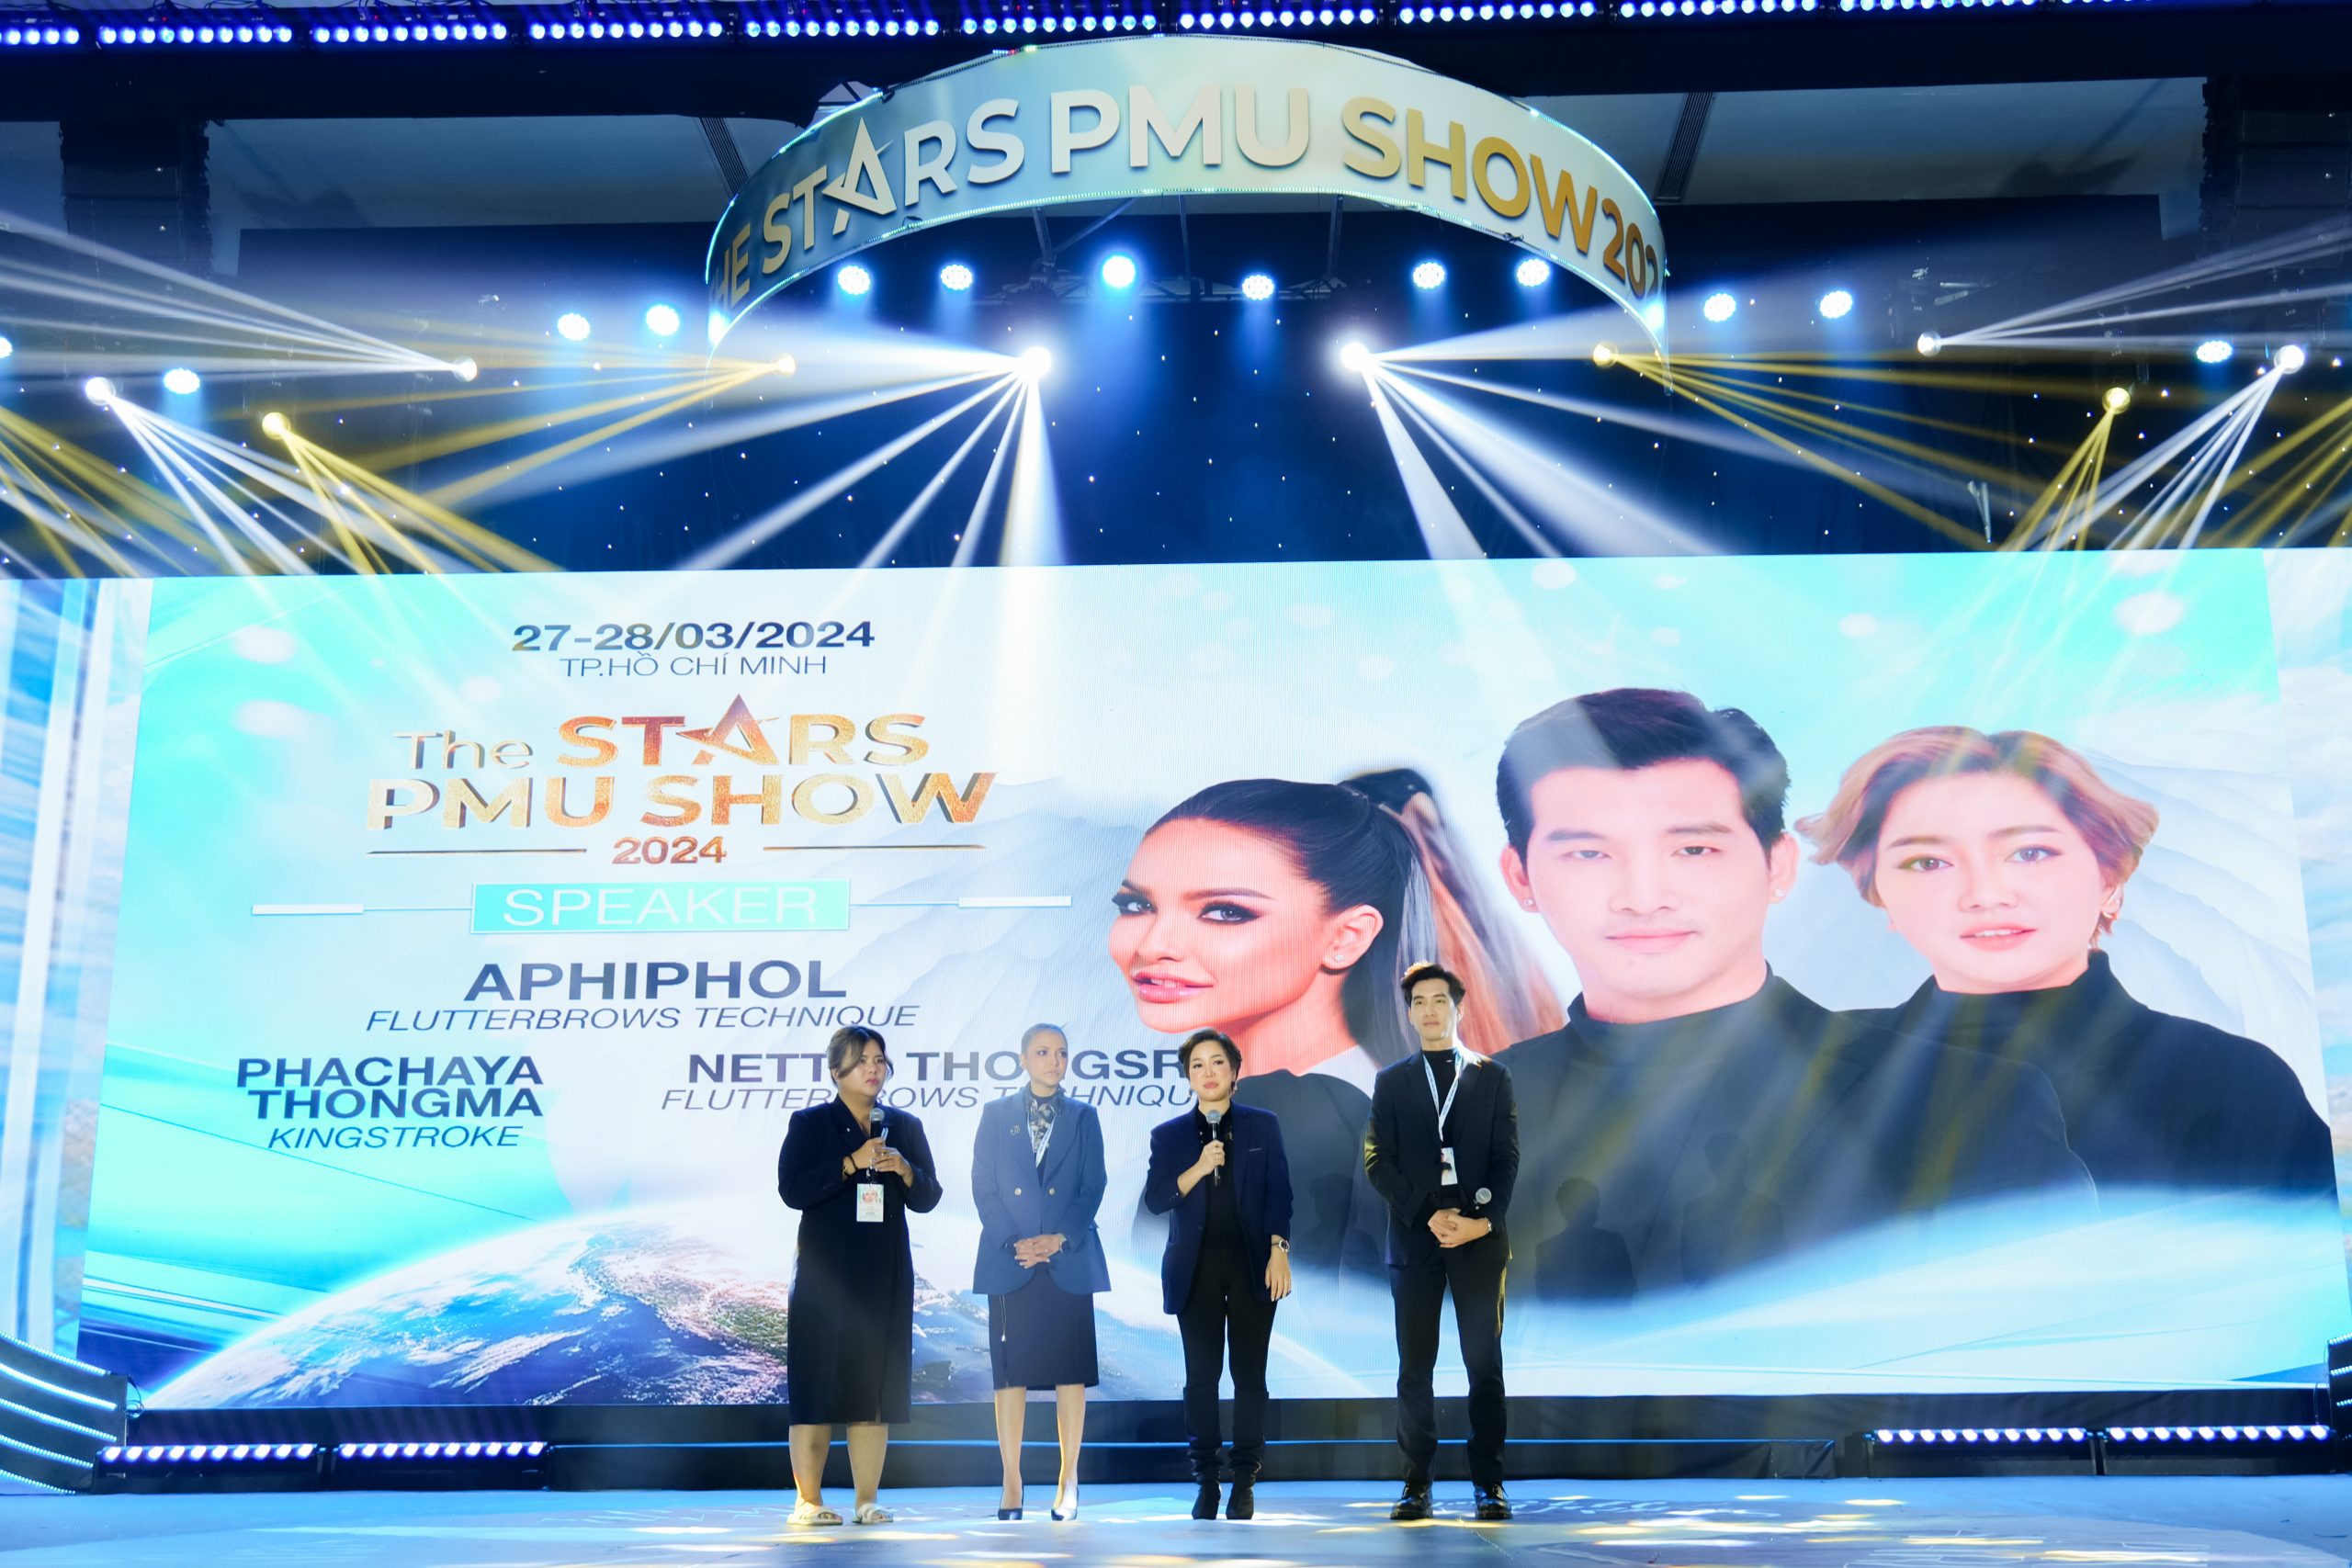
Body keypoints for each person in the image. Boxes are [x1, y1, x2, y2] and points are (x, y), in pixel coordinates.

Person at [1492, 689, 2092, 1301]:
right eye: (1589, 852)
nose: (1643, 897)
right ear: (1521, 878)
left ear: (1778, 865)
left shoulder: (1972, 1104)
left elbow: (2074, 1346)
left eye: (1693, 849)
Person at [1798, 725, 2335, 1195]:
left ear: (2110, 877)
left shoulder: (2232, 1080)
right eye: (1928, 862)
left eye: (2030, 853)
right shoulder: (1808, 1068)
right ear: (1877, 892)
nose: (1985, 893)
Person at [1111, 776, 1557, 1277]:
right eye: (1137, 906)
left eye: (1225, 912)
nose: (1153, 945)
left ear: (1347, 936)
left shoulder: (1295, 1117)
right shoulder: (1360, 1102)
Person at [1365, 962, 1518, 1522]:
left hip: (1478, 1240)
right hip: (1416, 1240)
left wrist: (1483, 1221)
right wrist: (1429, 1215)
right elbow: (1377, 1162)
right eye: (1419, 1002)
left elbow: (1506, 1159)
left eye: (1440, 1000)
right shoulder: (1392, 1081)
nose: (1429, 1010)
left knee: (1485, 1366)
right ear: (1409, 1014)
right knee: (1415, 1368)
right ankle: (1415, 1484)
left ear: (1459, 1007)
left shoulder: (1492, 1076)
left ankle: (1490, 1484)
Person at [775, 1025, 944, 1528]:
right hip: (824, 1278)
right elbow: (792, 1190)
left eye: (879, 1060)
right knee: (817, 1389)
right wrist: (852, 1163)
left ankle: (866, 1500)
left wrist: (905, 1169)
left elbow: (929, 1196)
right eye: (862, 1060)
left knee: (872, 1393)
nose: (874, 1069)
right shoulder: (810, 1123)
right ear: (836, 1071)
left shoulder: (904, 1125)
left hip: (883, 1274)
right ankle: (808, 1501)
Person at [1142, 1029, 1294, 1521]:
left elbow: (1280, 1194)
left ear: (1234, 1071)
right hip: (1195, 1268)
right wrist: (1198, 1167)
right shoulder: (1168, 1136)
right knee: (1201, 1378)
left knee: (1250, 1376)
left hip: (1253, 1263)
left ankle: (1245, 1479)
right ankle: (1206, 1480)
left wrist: (1279, 1250)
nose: (1208, 1073)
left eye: (1217, 1063)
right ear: (1188, 1077)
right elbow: (1156, 1199)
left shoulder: (1262, 1125)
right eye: (1197, 1065)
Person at [970, 1024, 1109, 1521]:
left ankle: (1068, 1479)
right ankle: (1012, 1479)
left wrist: (1059, 1238)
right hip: (1011, 1259)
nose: (1055, 1061)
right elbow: (983, 1185)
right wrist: (1015, 1242)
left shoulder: (1084, 1116)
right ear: (1023, 1059)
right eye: (1044, 1052)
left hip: (1067, 1258)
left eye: (1062, 1053)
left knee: (1071, 1375)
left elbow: (1093, 1185)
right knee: (1011, 1377)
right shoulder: (996, 1114)